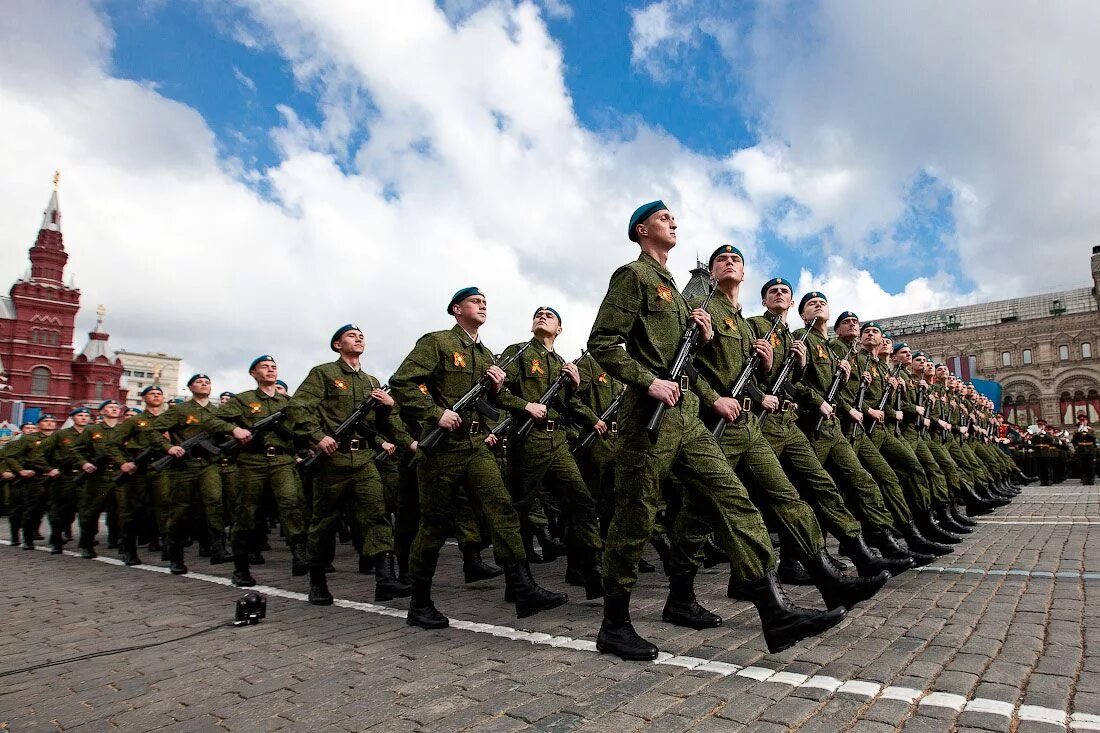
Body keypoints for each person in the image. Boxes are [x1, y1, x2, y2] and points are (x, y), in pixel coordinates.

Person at [585, 201, 844, 661]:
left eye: (673, 218)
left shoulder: (676, 290)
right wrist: (648, 380)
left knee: (734, 499)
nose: (673, 223)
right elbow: (602, 343)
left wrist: (698, 332)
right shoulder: (634, 275)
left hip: (686, 413)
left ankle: (775, 610)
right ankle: (614, 623)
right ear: (642, 230)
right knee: (636, 516)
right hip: (649, 417)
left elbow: (685, 350)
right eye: (664, 218)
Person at [391, 289, 568, 629]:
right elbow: (402, 383)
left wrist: (504, 393)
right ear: (457, 310)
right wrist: (434, 412)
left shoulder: (487, 354)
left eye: (485, 301)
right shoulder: (438, 342)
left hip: (475, 444)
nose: (482, 304)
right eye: (475, 301)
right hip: (442, 446)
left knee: (501, 508)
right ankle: (420, 601)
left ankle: (521, 585)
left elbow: (495, 402)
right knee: (435, 524)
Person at [289, 326, 411, 605]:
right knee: (324, 523)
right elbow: (298, 407)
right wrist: (317, 437)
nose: (358, 339)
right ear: (337, 344)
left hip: (365, 459)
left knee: (378, 516)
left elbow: (379, 426)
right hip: (332, 461)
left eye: (362, 336)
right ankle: (317, 581)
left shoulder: (371, 381)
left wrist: (389, 406)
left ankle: (385, 580)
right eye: (351, 336)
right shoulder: (323, 374)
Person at [498, 306, 604, 598]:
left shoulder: (562, 364)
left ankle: (590, 568)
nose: (541, 316)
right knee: (520, 507)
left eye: (550, 316)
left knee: (581, 501)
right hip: (528, 438)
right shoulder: (518, 352)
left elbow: (571, 406)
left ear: (560, 329)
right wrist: (525, 406)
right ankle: (518, 581)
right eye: (537, 314)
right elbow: (496, 391)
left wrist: (575, 385)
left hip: (557, 439)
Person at [215, 355, 311, 586]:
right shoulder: (243, 400)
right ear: (253, 373)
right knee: (246, 513)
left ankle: (299, 554)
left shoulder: (287, 402)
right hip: (252, 461)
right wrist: (234, 429)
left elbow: (305, 426)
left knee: (291, 504)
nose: (270, 370)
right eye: (264, 367)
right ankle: (241, 567)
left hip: (282, 460)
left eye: (273, 367)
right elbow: (213, 420)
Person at [1073, 413, 1095, 485]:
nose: (1082, 421)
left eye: (1084, 420)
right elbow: (1074, 441)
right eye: (1081, 420)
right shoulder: (1077, 431)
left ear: (1087, 421)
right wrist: (1079, 431)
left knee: (1090, 465)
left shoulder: (1091, 430)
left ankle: (1091, 479)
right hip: (1081, 450)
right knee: (1082, 465)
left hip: (1089, 450)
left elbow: (1093, 439)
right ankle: (1084, 479)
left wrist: (1087, 432)